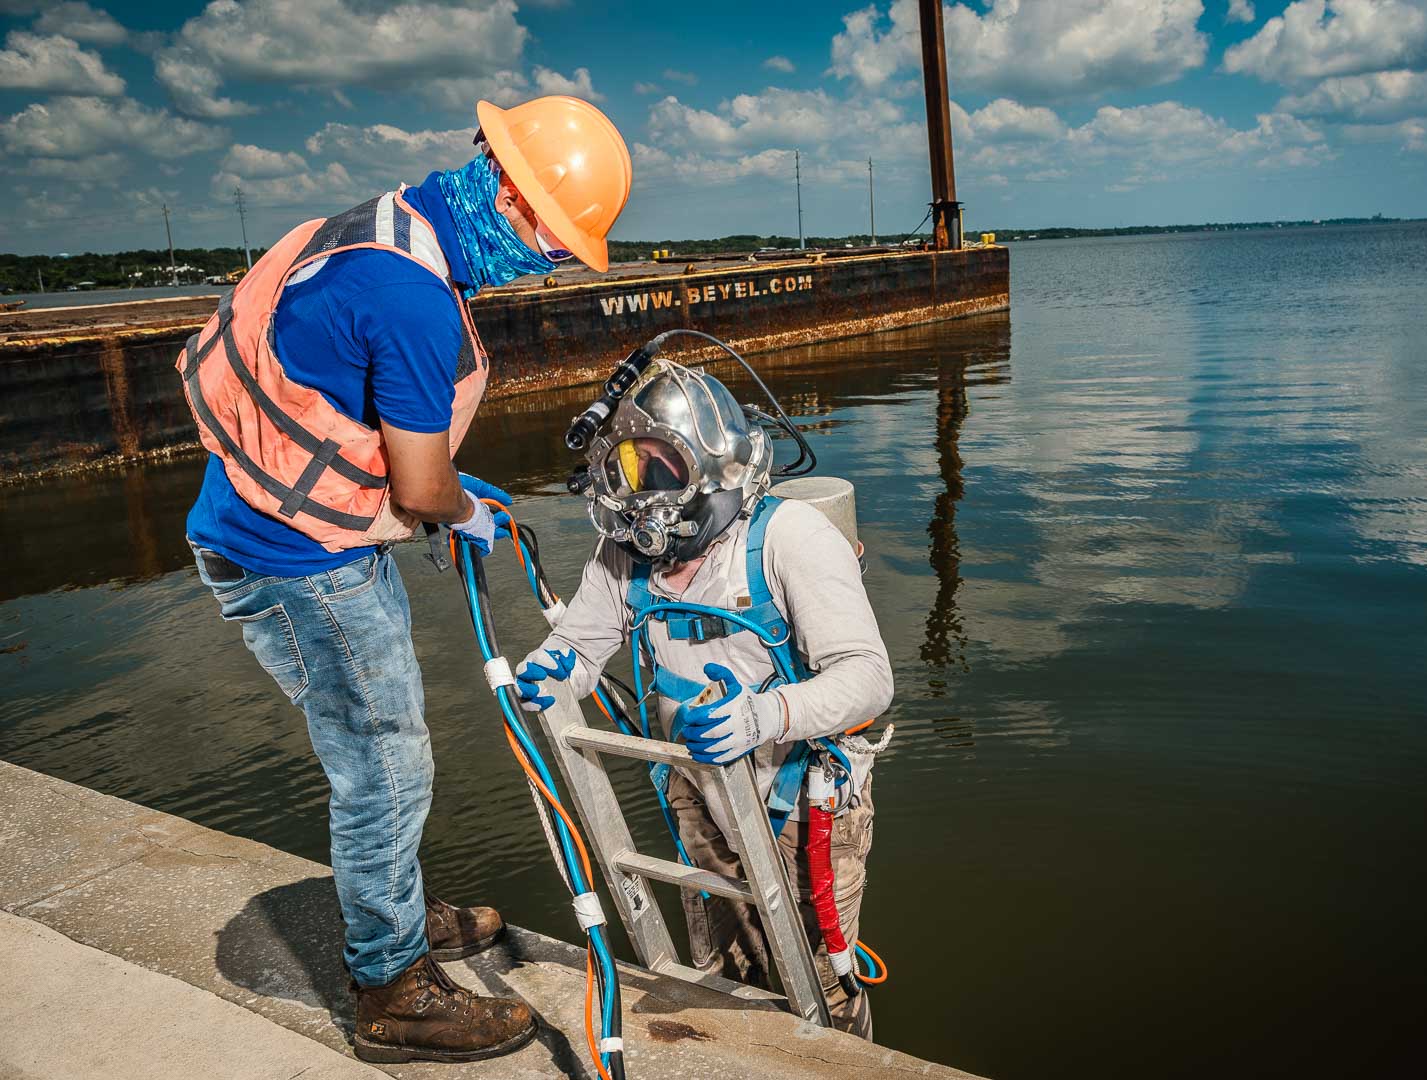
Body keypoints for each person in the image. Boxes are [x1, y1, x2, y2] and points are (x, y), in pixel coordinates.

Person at [178, 96, 632, 1064]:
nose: (545, 267)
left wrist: (458, 498)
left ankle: (390, 914)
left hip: (262, 523)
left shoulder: (392, 228)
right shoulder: (421, 303)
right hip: (298, 561)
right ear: (510, 197)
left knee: (386, 753)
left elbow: (360, 415)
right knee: (384, 760)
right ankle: (390, 989)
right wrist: (458, 508)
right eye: (553, 247)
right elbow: (419, 482)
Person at [514, 361, 893, 1038]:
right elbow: (581, 645)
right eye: (625, 468)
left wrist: (764, 716)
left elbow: (868, 676)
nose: (639, 491)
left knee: (819, 979)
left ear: (716, 470)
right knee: (724, 972)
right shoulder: (624, 552)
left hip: (802, 798)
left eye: (660, 468)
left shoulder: (789, 538)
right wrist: (550, 669)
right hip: (698, 782)